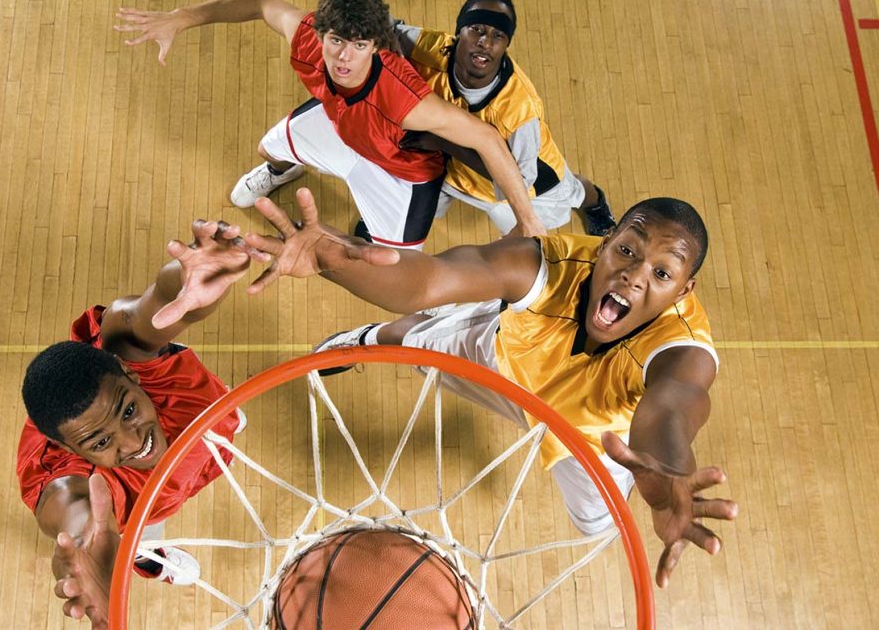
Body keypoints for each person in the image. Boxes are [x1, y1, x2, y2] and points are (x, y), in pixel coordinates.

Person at [242, 188, 738, 588]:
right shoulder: (542, 264)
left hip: (588, 437)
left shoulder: (684, 351)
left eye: (662, 273)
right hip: (507, 367)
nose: (632, 276)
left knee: (596, 525)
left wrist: (664, 481)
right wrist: (333, 260)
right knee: (412, 341)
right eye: (626, 250)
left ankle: (469, 312)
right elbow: (424, 280)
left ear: (684, 289)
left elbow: (669, 414)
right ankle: (367, 338)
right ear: (605, 244)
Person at [114, 0, 547, 249]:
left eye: (360, 45)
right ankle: (282, 172)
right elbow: (263, 3)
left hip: (399, 171)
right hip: (342, 127)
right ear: (321, 32)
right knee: (269, 148)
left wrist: (528, 221)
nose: (344, 57)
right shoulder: (306, 38)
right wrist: (184, 17)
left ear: (376, 46)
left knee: (394, 261)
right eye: (337, 40)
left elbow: (487, 139)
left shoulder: (405, 99)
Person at [16, 220, 266, 628]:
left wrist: (187, 278)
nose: (134, 441)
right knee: (130, 535)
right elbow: (74, 516)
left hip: (198, 432)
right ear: (68, 451)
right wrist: (85, 552)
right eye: (100, 442)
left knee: (213, 428)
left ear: (130, 376)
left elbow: (155, 307)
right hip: (137, 510)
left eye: (128, 411)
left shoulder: (129, 356)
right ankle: (146, 560)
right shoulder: (70, 486)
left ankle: (219, 429)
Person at [393, 0, 617, 236]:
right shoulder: (431, 48)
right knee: (408, 200)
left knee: (575, 192)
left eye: (497, 35)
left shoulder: (520, 110)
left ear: (506, 44)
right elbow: (385, 27)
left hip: (529, 184)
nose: (485, 42)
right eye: (477, 29)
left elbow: (517, 181)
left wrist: (444, 142)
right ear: (459, 32)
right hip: (449, 168)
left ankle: (595, 204)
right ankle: (385, 224)